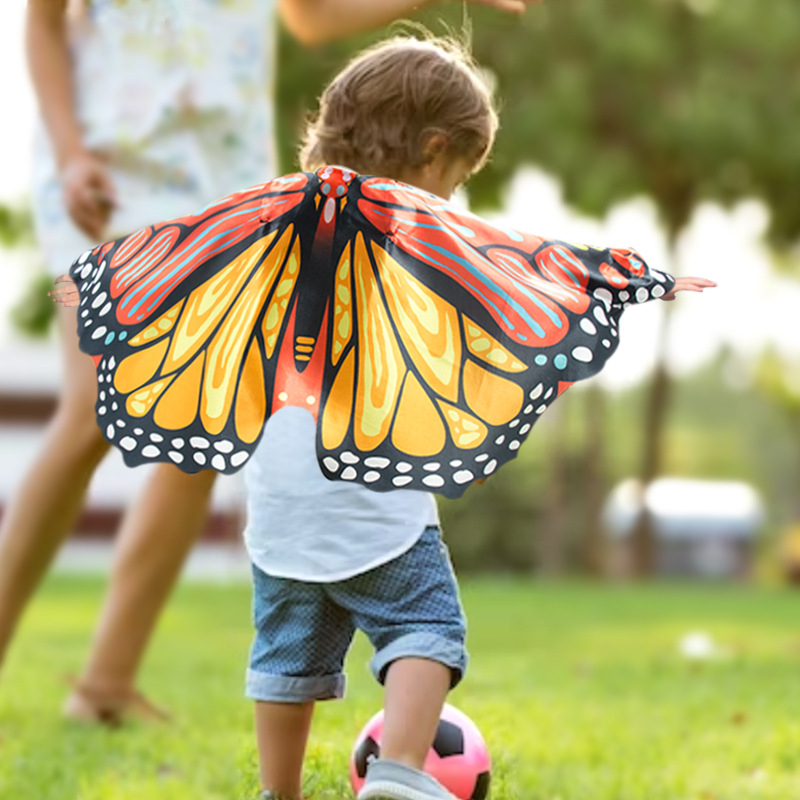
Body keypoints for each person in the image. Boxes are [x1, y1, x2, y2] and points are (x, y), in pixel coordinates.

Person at [0, 0, 543, 725]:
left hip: (214, 171)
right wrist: (70, 151)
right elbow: (41, 21)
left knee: (202, 430)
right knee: (93, 411)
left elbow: (309, 17)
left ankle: (105, 684)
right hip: (106, 166)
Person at [230, 36, 713, 800]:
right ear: (430, 149)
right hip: (371, 496)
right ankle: (397, 771)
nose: (451, 201)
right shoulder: (415, 235)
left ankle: (277, 792)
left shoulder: (274, 230)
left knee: (286, 653)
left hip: (279, 501)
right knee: (425, 625)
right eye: (454, 180)